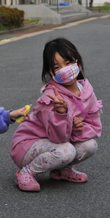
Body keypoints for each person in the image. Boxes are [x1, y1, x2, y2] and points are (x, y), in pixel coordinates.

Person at [11, 37, 102, 192]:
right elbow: (58, 138)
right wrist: (61, 114)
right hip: (28, 145)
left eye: (68, 63)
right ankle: (25, 173)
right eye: (57, 67)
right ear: (50, 73)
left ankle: (61, 170)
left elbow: (94, 125)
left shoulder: (86, 90)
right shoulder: (50, 97)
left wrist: (80, 128)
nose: (64, 70)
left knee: (90, 145)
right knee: (66, 150)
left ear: (77, 63)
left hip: (57, 144)